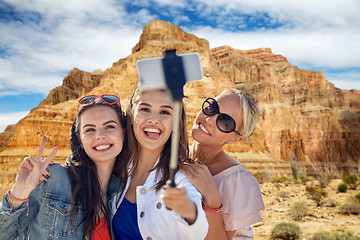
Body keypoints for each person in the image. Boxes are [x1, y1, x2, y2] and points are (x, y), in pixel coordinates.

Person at [0, 94, 126, 240]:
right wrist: (19, 193)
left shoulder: (123, 194)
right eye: (90, 129)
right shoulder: (51, 179)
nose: (100, 135)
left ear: (123, 132)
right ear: (79, 139)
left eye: (109, 126)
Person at [111, 87, 208, 240]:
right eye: (145, 109)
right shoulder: (115, 168)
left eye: (165, 112)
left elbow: (197, 233)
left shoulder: (181, 178)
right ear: (130, 116)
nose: (154, 119)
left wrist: (189, 211)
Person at [181, 89, 265, 240]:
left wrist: (212, 198)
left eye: (225, 122)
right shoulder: (173, 155)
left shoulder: (236, 182)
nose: (210, 120)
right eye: (212, 108)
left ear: (235, 139)